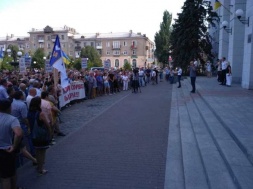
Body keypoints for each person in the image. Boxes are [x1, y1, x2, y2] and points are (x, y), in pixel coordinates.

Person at [0, 99, 23, 189]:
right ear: (9, 108)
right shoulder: (12, 119)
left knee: (6, 174)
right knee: (7, 176)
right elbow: (19, 133)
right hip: (6, 150)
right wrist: (14, 146)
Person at [29, 97, 51, 175]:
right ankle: (41, 168)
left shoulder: (30, 112)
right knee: (42, 152)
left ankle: (38, 165)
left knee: (37, 151)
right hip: (41, 135)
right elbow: (47, 124)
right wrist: (50, 132)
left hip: (33, 134)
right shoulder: (40, 113)